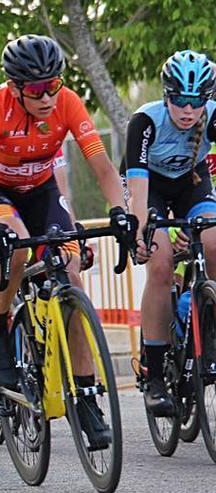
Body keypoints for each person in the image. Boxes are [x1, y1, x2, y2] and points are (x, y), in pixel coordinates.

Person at [0, 34, 126, 449]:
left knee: (70, 279)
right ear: (16, 87)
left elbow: (104, 169)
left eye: (53, 84)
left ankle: (87, 398)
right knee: (16, 247)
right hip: (0, 194)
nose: (47, 96)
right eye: (37, 89)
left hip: (41, 192)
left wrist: (120, 210)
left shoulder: (68, 102)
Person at [125, 50, 216, 416]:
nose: (188, 109)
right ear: (167, 94)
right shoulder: (146, 121)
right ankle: (156, 373)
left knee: (213, 242)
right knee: (161, 265)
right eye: (179, 99)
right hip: (148, 188)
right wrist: (141, 230)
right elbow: (138, 185)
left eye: (196, 101)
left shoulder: (211, 117)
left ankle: (208, 326)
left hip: (191, 184)